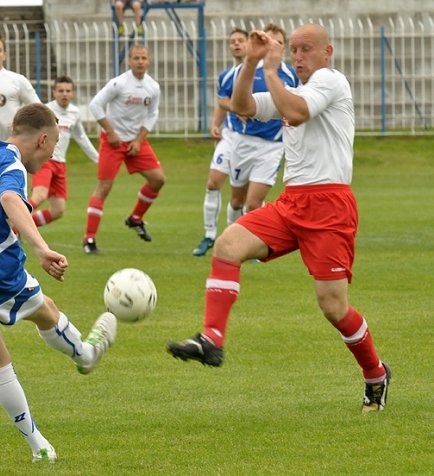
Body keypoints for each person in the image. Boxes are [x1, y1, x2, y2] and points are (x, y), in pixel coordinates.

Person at [167, 24, 391, 413]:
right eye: (294, 51)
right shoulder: (295, 88)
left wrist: (270, 68)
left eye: (305, 50)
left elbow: (296, 113)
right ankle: (212, 339)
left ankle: (376, 373)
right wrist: (252, 62)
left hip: (330, 206)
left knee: (333, 306)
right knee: (227, 245)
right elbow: (241, 107)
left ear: (327, 52)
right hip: (292, 202)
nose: (298, 57)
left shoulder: (331, 81)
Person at [0, 103, 118, 463]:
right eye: (55, 145)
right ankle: (86, 355)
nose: (49, 156)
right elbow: (11, 199)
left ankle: (39, 446)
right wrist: (42, 249)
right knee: (46, 310)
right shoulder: (12, 163)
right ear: (43, 139)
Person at [83, 44, 165, 255]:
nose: (140, 61)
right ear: (129, 61)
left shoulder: (153, 87)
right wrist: (110, 132)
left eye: (143, 58)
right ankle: (89, 240)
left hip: (136, 142)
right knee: (104, 188)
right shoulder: (118, 83)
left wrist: (138, 140)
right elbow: (95, 105)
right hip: (113, 141)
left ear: (149, 61)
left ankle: (135, 218)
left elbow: (152, 114)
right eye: (136, 58)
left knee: (158, 179)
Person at [192, 28, 249, 256]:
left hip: (251, 140)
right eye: (232, 41)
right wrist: (216, 124)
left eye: (240, 41)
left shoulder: (256, 73)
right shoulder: (227, 75)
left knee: (239, 197)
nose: (236, 44)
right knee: (213, 183)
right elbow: (222, 102)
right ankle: (208, 236)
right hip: (230, 135)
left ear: (248, 45)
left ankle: (234, 238)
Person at [29, 76, 99, 228]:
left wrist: (98, 159)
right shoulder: (46, 111)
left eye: (68, 91)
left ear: (72, 93)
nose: (64, 94)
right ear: (54, 92)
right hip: (45, 161)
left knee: (58, 210)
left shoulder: (75, 112)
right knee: (39, 196)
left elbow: (81, 137)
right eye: (60, 91)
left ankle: (18, 227)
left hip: (60, 164)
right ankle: (7, 224)